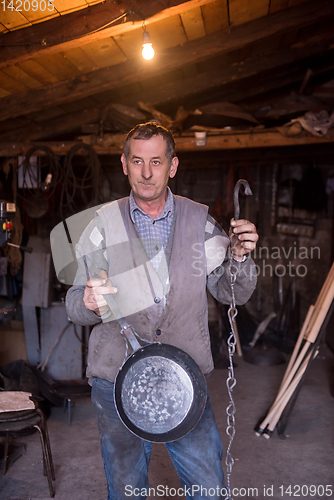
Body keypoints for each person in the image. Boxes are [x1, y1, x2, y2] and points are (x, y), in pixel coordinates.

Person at [65, 122, 259, 500]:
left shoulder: (200, 222)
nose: (147, 172)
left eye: (156, 161)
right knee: (126, 489)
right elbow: (74, 303)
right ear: (124, 164)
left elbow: (230, 291)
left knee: (208, 488)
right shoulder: (99, 226)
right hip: (115, 380)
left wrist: (239, 257)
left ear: (172, 166)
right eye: (138, 161)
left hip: (184, 377)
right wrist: (86, 302)